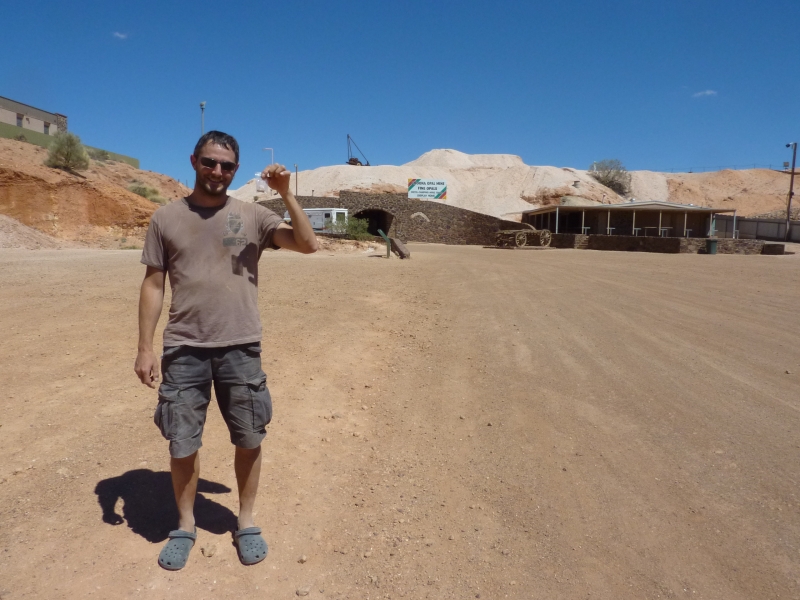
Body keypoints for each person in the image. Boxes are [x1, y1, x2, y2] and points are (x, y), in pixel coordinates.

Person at [134, 131, 318, 570]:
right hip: (184, 348)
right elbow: (153, 284)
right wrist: (144, 347)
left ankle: (246, 521)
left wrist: (285, 194)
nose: (217, 171)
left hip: (241, 346)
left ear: (235, 169)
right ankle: (185, 525)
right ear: (194, 161)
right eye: (210, 162)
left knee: (250, 438)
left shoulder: (253, 216)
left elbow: (308, 244)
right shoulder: (165, 218)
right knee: (182, 443)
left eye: (227, 165)